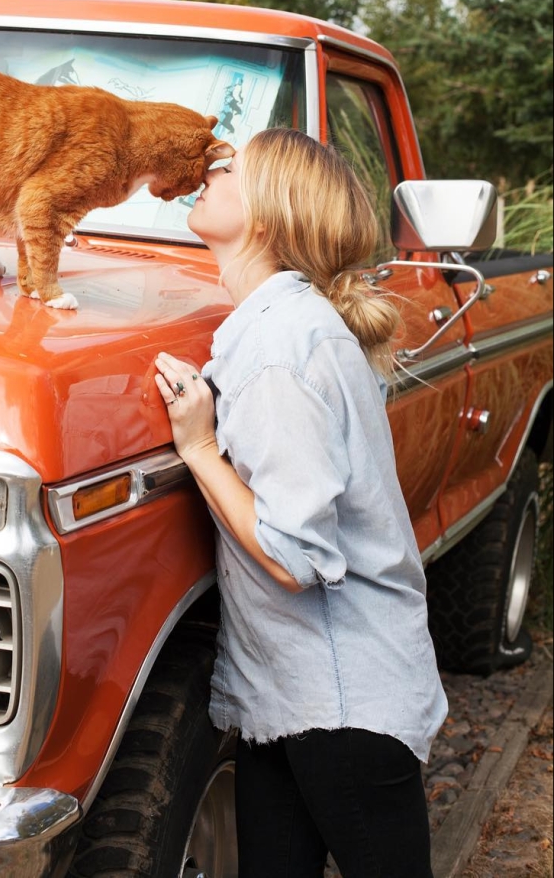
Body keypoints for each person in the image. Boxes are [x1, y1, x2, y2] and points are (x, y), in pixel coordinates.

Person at [154, 127, 447, 878]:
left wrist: (199, 448)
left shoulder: (281, 349)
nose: (210, 169)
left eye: (231, 167)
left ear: (266, 214)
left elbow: (294, 559)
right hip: (292, 693)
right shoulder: (280, 328)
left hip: (342, 700)